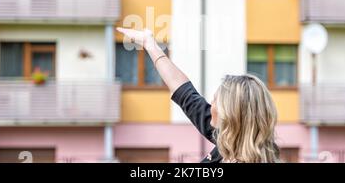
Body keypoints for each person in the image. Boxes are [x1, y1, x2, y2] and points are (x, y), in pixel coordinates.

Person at [116, 27, 280, 163]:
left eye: (216, 100)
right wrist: (149, 43)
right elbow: (185, 93)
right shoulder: (229, 140)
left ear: (231, 115)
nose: (211, 103)